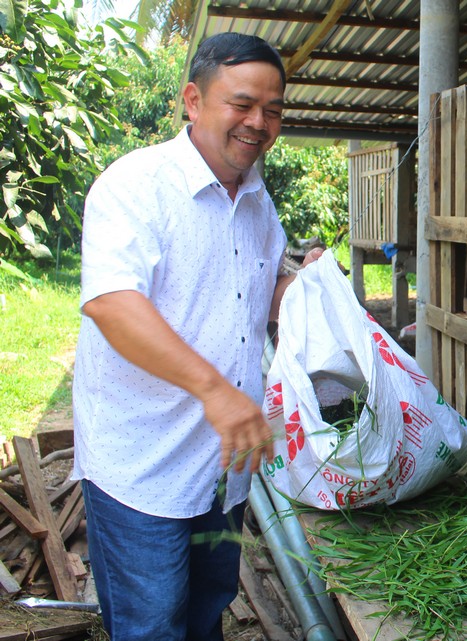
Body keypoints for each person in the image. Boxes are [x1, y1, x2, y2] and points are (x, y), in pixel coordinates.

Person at [72, 33, 298, 641]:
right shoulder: (135, 185)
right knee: (151, 626)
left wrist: (313, 296)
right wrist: (217, 392)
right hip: (143, 468)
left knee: (206, 609)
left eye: (273, 110)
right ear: (193, 101)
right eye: (242, 104)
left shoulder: (256, 199)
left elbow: (261, 288)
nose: (259, 123)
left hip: (222, 468)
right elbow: (113, 304)